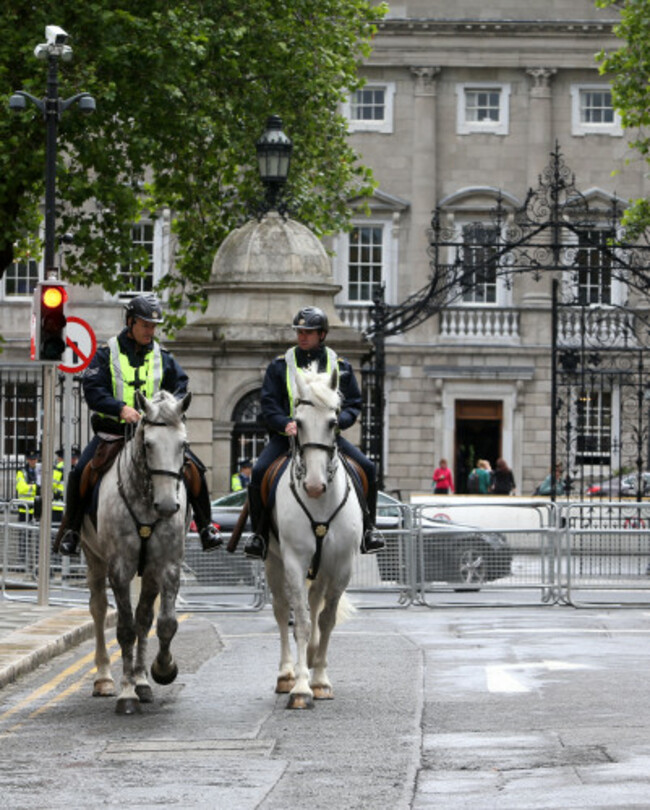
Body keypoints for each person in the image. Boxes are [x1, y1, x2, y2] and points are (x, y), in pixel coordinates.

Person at [56, 293, 222, 556]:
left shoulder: (163, 356)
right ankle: (73, 531)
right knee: (80, 474)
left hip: (154, 434)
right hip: (113, 434)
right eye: (145, 325)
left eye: (153, 326)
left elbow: (181, 385)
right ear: (130, 322)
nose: (150, 331)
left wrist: (170, 408)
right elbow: (93, 390)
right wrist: (121, 409)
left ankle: (205, 527)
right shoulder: (105, 354)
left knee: (195, 471)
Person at [243, 305, 385, 560]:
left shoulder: (340, 366)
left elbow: (353, 404)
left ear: (322, 334)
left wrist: (337, 422)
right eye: (300, 331)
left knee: (368, 467)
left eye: (309, 332)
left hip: (327, 438)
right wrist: (284, 423)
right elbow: (268, 405)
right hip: (287, 438)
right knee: (259, 471)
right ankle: (260, 534)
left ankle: (369, 530)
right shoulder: (280, 366)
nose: (303, 336)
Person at [15, 449, 40, 523]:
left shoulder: (40, 471)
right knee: (24, 533)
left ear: (37, 459)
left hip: (37, 507)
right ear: (27, 460)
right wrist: (36, 487)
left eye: (34, 459)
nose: (32, 461)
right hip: (24, 508)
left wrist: (30, 486)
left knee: (39, 533)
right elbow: (21, 488)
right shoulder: (21, 471)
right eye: (30, 459)